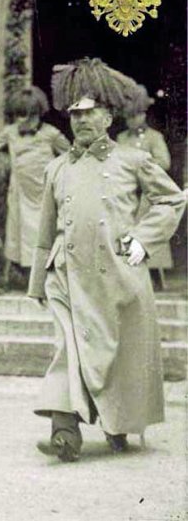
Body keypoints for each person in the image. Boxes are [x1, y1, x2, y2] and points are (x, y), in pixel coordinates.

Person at [29, 58, 186, 462]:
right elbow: (45, 232)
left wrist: (144, 240)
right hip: (66, 276)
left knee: (116, 353)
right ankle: (65, 433)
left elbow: (171, 200)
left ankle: (118, 424)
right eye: (74, 113)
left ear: (108, 117)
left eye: (89, 112)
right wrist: (37, 283)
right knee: (68, 347)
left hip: (117, 275)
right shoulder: (57, 168)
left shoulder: (132, 160)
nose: (81, 120)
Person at [0, 87, 70, 286]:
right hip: (19, 193)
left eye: (27, 115)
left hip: (43, 195)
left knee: (42, 233)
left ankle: (47, 279)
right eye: (18, 115)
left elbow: (70, 156)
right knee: (17, 234)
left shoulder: (51, 134)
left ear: (37, 113)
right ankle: (16, 278)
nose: (22, 120)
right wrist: (4, 164)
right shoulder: (10, 133)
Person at [116, 84, 174, 284]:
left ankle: (156, 275)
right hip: (127, 192)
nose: (132, 120)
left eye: (136, 116)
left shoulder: (154, 137)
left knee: (150, 230)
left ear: (143, 115)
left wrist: (142, 168)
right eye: (128, 117)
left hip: (147, 194)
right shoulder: (121, 138)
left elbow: (164, 162)